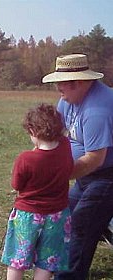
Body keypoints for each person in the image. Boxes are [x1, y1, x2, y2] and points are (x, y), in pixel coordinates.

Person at [42, 53, 113, 279]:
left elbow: (95, 159)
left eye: (62, 83)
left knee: (81, 225)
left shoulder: (97, 111)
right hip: (88, 176)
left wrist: (57, 177)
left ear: (80, 82)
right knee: (67, 217)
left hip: (107, 176)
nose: (58, 89)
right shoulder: (68, 99)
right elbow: (55, 133)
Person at [1, 103, 73, 280]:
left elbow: (16, 185)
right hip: (57, 215)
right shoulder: (65, 146)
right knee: (47, 261)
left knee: (18, 259)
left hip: (27, 216)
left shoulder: (26, 158)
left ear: (33, 131)